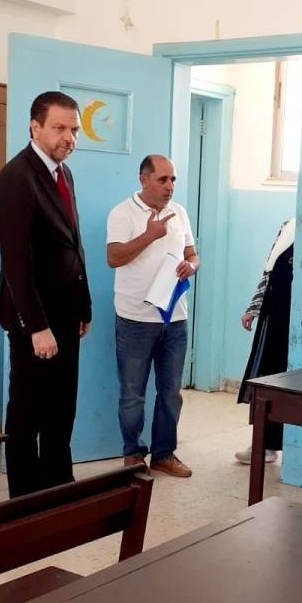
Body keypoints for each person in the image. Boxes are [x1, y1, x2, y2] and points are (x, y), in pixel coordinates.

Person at [0, 91, 92, 499]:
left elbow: (73, 243)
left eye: (74, 130)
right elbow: (16, 263)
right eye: (59, 128)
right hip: (34, 319)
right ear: (35, 128)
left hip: (66, 313)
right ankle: (25, 499)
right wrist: (36, 326)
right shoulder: (16, 178)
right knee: (28, 410)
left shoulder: (63, 174)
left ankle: (58, 487)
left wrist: (84, 305)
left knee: (61, 407)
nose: (69, 137)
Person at [106, 155, 199, 477]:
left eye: (173, 179)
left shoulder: (180, 212)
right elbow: (113, 258)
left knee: (171, 393)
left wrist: (192, 266)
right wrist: (150, 235)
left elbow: (192, 253)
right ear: (144, 180)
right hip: (135, 320)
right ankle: (133, 454)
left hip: (174, 318)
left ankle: (164, 454)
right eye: (163, 179)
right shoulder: (122, 213)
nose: (170, 186)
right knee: (133, 393)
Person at [235, 218, 295, 465]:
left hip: (296, 323)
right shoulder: (288, 226)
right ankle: (265, 445)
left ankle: (287, 447)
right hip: (274, 319)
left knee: (291, 386)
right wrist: (254, 307)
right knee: (268, 379)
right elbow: (268, 273)